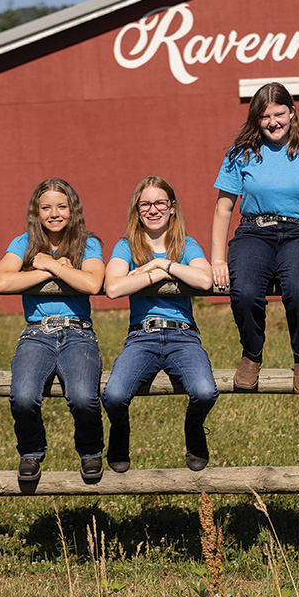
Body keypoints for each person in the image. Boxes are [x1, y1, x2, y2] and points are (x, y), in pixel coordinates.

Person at [211, 82, 299, 394]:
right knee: (243, 292)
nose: (273, 122)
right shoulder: (241, 152)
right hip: (253, 232)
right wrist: (217, 259)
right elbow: (223, 207)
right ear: (256, 119)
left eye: (279, 114)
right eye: (265, 116)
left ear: (292, 112)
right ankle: (252, 354)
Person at [102, 176, 218, 473]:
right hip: (143, 335)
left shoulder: (186, 244)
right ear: (136, 209)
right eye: (145, 204)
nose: (153, 210)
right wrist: (160, 276)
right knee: (114, 395)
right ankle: (120, 430)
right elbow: (113, 287)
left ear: (172, 208)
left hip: (183, 336)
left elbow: (204, 280)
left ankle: (193, 429)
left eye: (159, 203)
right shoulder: (126, 246)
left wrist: (159, 265)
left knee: (205, 391)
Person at [0, 178, 105, 482]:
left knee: (83, 397)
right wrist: (46, 267)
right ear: (36, 211)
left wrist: (52, 266)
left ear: (73, 209)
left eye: (61, 206)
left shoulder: (88, 243)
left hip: (78, 333)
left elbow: (92, 283)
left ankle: (90, 450)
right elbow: (2, 282)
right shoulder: (23, 243)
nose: (54, 213)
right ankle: (31, 452)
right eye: (46, 207)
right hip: (36, 333)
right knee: (23, 396)